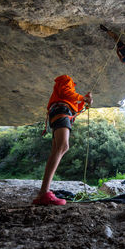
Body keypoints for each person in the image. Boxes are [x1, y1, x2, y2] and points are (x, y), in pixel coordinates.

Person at [33, 75, 93, 205]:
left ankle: (43, 192)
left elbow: (75, 107)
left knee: (57, 148)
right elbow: (66, 93)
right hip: (61, 110)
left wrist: (85, 102)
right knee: (63, 146)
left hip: (62, 112)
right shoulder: (66, 79)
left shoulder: (70, 95)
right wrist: (82, 98)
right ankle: (44, 193)